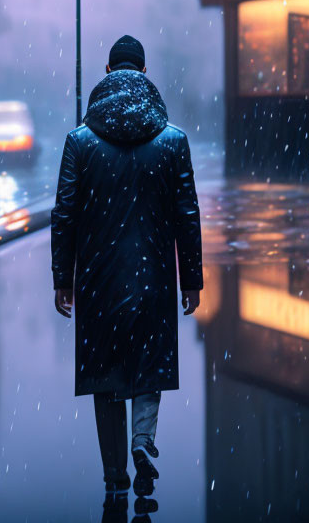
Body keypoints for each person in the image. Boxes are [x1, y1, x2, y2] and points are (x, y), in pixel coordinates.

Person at [51, 34, 203, 498]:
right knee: (148, 361)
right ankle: (143, 440)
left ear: (108, 72)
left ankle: (114, 471)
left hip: (99, 278)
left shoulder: (80, 142)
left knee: (105, 372)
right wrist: (191, 279)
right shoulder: (173, 141)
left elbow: (64, 214)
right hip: (154, 274)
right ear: (144, 72)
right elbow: (187, 213)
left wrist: (64, 279)